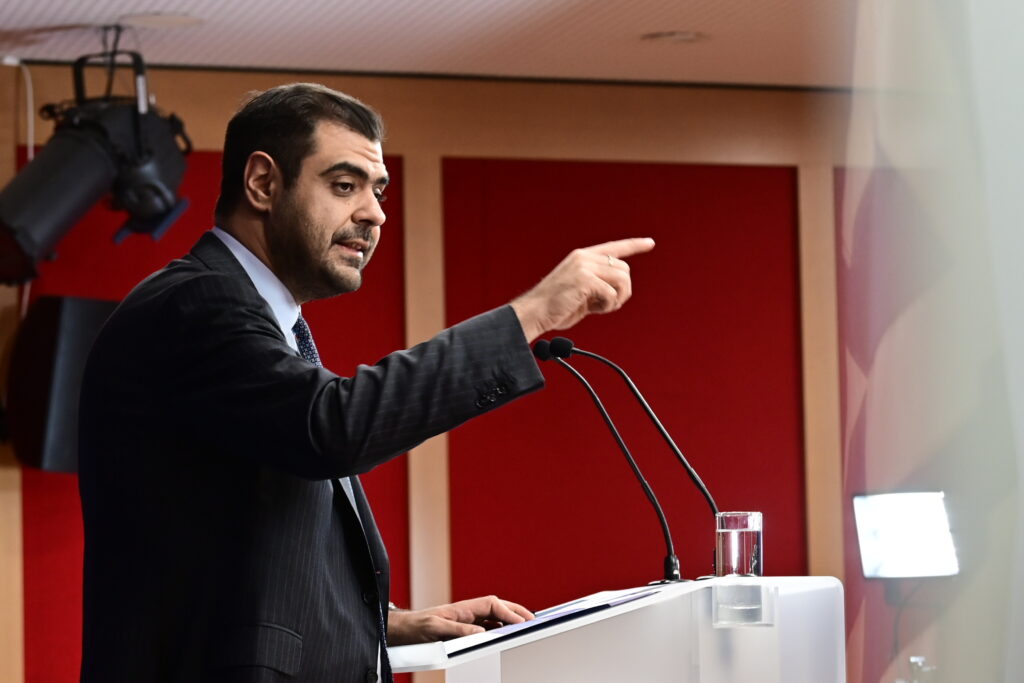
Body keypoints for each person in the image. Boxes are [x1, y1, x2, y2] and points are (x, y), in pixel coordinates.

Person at [77, 82, 654, 683]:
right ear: (263, 184)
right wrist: (531, 314)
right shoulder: (197, 304)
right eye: (344, 185)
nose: (375, 214)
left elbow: (241, 567)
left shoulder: (258, 319)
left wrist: (384, 623)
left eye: (377, 190)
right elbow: (333, 428)